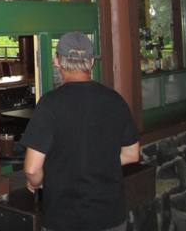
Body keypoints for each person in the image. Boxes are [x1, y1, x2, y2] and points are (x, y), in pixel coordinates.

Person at [20, 32, 140, 231]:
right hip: (110, 217)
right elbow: (132, 154)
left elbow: (32, 169)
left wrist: (35, 184)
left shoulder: (50, 104)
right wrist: (97, 163)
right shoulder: (115, 100)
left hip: (64, 219)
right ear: (91, 62)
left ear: (57, 61)